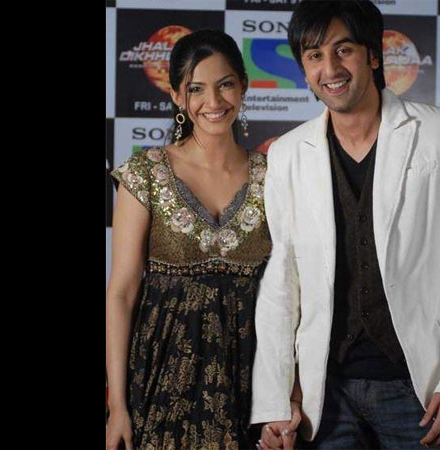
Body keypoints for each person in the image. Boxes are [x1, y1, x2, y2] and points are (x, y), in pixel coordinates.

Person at [250, 1, 440, 449]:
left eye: (343, 50)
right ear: (304, 70)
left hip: (424, 389)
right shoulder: (287, 154)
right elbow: (281, 283)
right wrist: (277, 397)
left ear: (373, 55)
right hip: (326, 396)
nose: (330, 68)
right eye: (314, 55)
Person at [106, 29, 272, 450]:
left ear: (244, 86)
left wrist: (288, 395)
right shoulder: (145, 173)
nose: (213, 102)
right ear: (178, 97)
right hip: (159, 381)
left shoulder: (273, 175)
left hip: (249, 382)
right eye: (196, 89)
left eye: (225, 84)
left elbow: (293, 292)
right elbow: (121, 293)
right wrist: (118, 406)